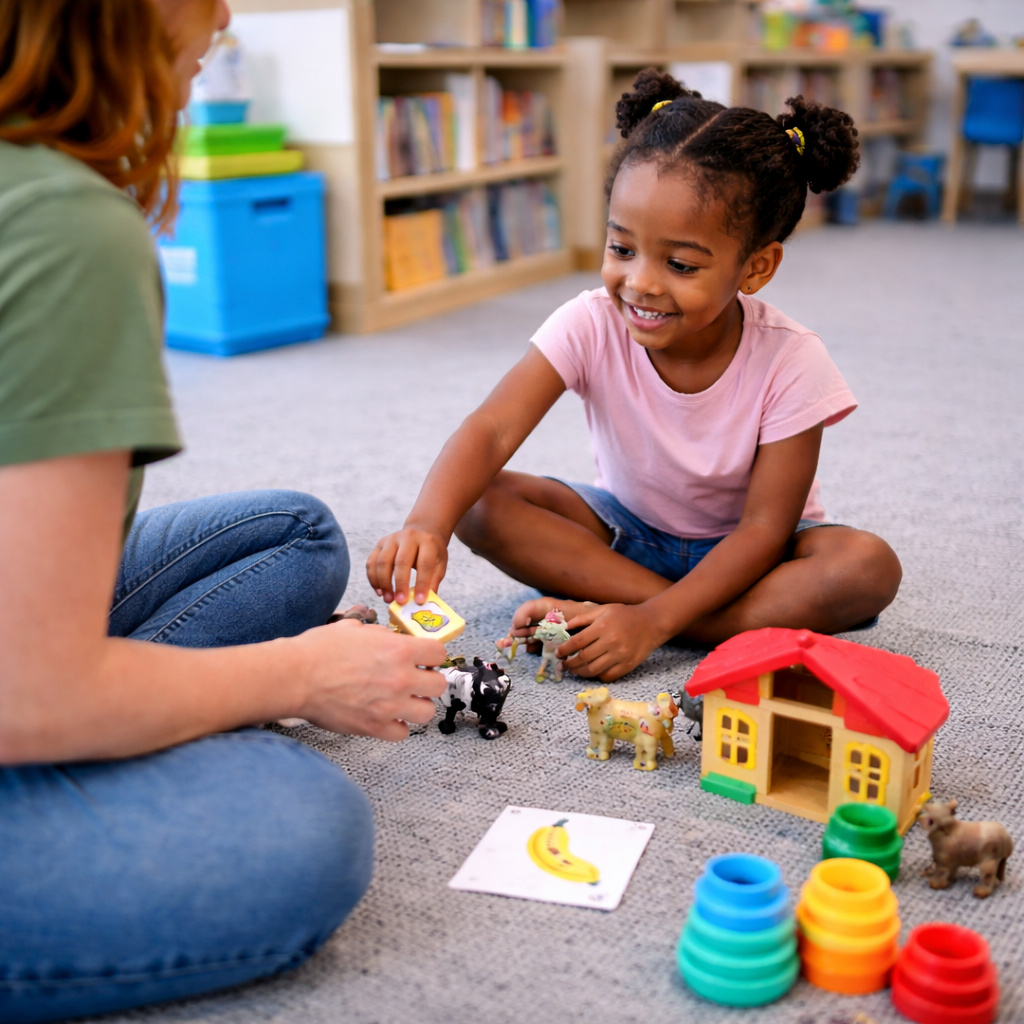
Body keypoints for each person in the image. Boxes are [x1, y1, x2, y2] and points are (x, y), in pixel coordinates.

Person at [0, 2, 446, 1021]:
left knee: (294, 535)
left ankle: (132, 708)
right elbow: (22, 693)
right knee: (303, 824)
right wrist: (291, 675)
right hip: (17, 688)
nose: (230, 10)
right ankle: (125, 722)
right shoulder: (67, 226)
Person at [368, 69, 902, 684]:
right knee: (478, 503)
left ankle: (668, 617)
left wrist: (649, 623)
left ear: (757, 268)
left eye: (679, 263)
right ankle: (700, 619)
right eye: (622, 249)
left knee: (866, 566)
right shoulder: (590, 321)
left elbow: (764, 528)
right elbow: (490, 429)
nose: (641, 283)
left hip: (757, 557)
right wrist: (425, 524)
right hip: (627, 531)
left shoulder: (792, 359)